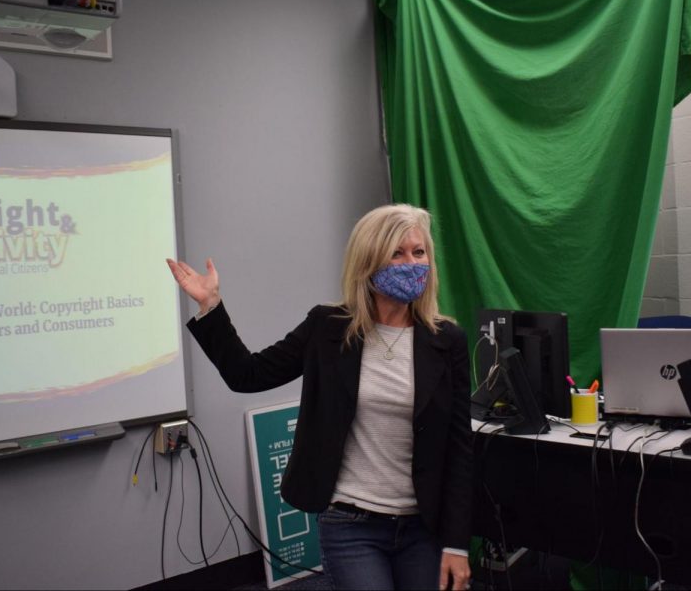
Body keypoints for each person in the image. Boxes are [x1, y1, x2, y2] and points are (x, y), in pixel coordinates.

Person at [166, 204, 472, 591]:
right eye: (396, 252)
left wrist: (458, 544)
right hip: (351, 523)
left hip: (424, 526)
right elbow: (249, 374)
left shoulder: (448, 340)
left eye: (419, 252)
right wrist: (211, 307)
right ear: (369, 261)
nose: (411, 263)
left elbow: (460, 448)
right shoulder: (329, 327)